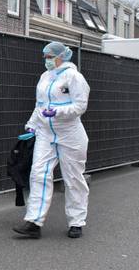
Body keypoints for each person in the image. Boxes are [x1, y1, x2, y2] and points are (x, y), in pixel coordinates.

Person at [13, 41, 91, 239]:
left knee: (73, 178)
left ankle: (76, 222)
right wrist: (32, 124)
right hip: (46, 134)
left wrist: (57, 111)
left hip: (70, 134)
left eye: (50, 57)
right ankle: (34, 222)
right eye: (45, 57)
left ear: (61, 57)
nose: (46, 60)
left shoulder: (74, 77)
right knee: (38, 174)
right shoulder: (44, 77)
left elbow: (80, 106)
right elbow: (39, 105)